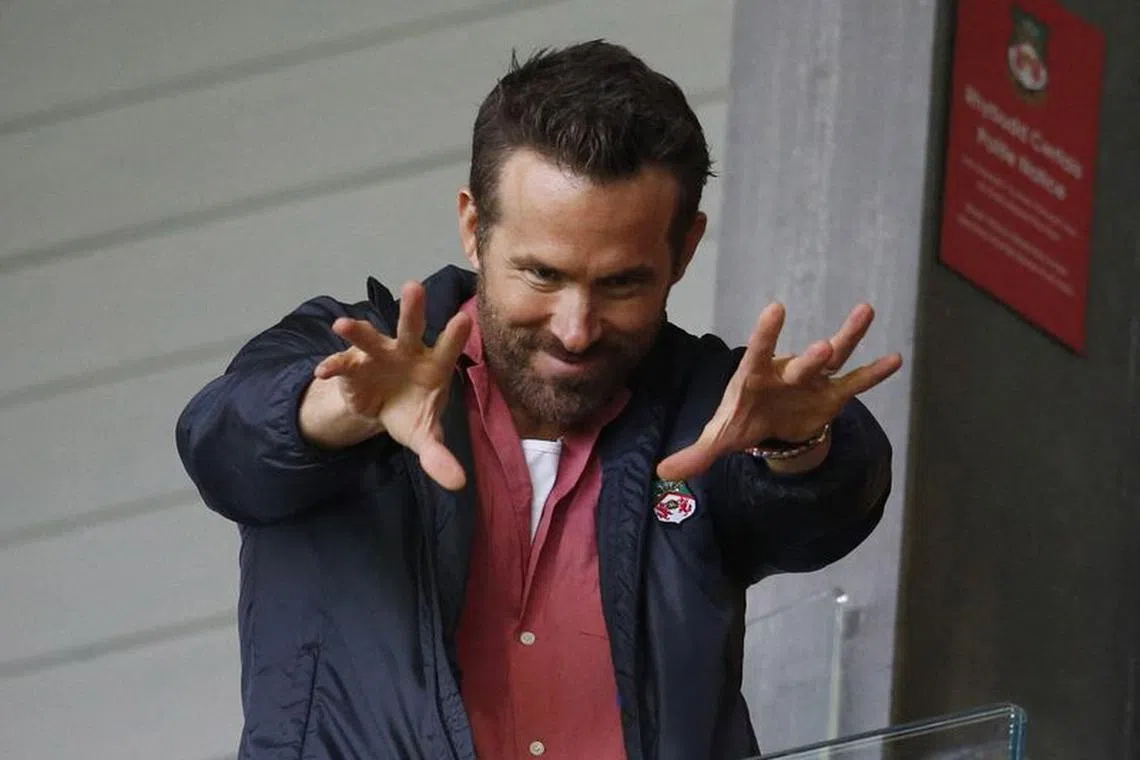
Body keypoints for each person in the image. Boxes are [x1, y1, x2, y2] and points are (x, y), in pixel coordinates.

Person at [176, 40, 900, 760]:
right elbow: (223, 449)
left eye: (621, 284)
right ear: (472, 227)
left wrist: (798, 448)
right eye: (542, 276)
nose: (576, 329)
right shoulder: (343, 359)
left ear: (684, 251)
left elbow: (826, 513)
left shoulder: (708, 404)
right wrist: (338, 414)